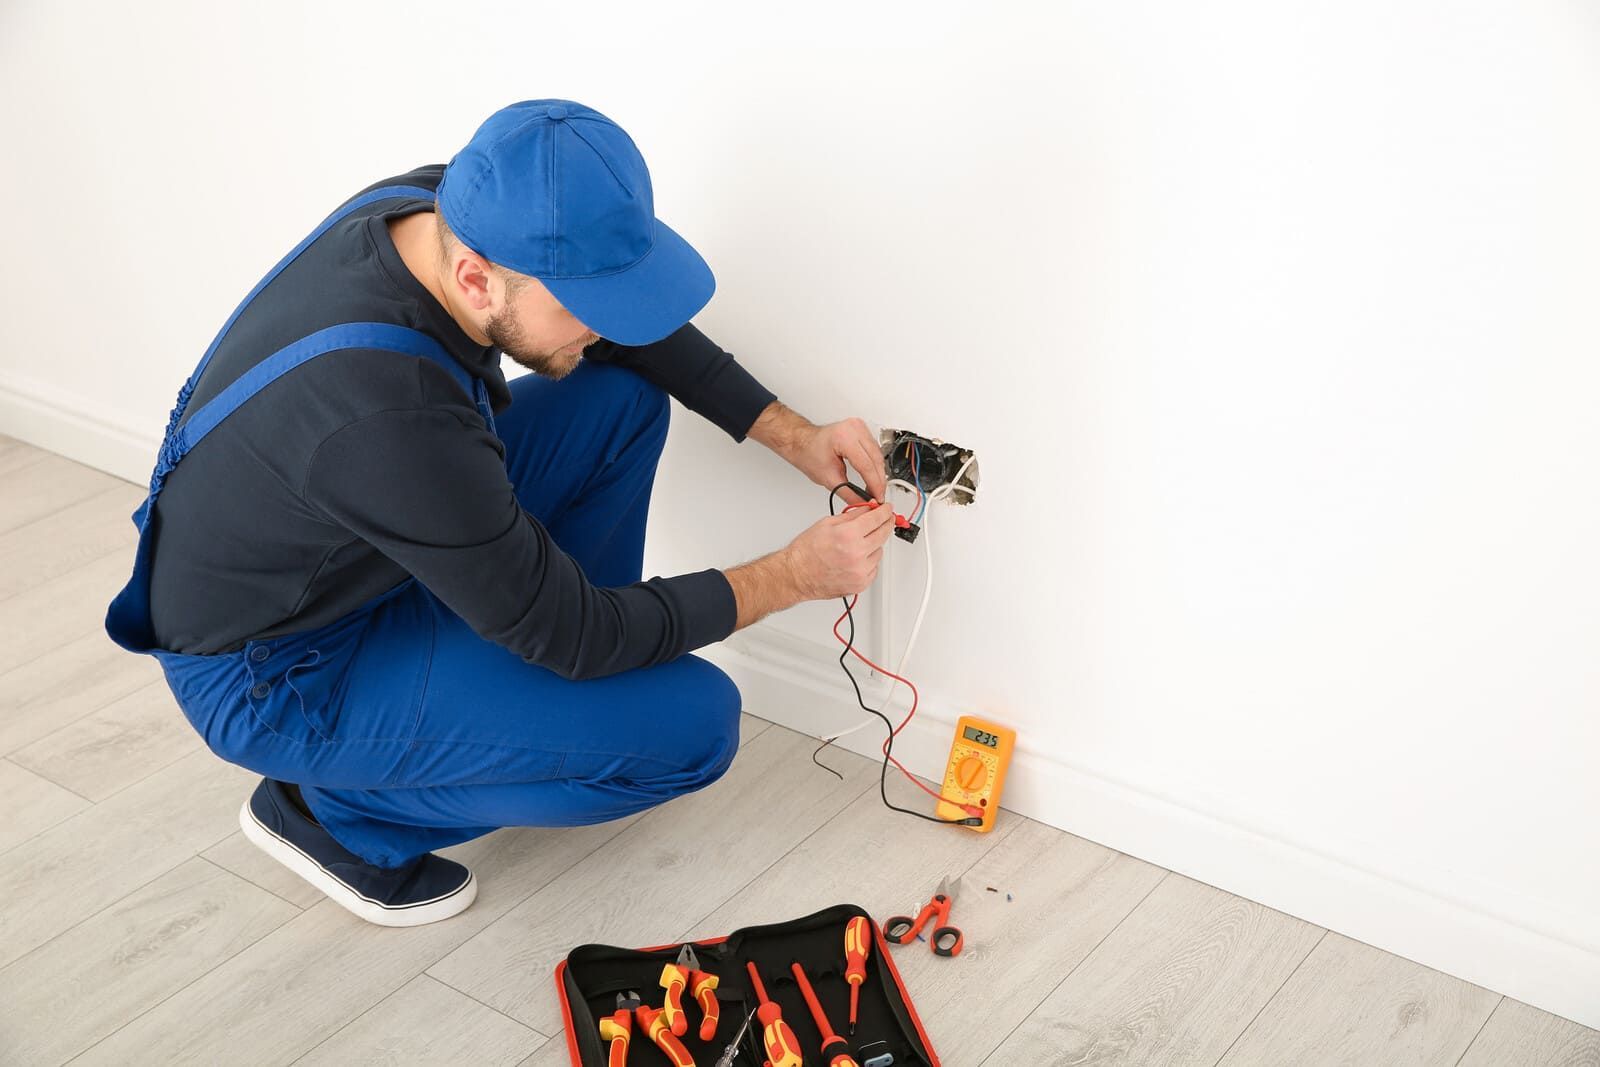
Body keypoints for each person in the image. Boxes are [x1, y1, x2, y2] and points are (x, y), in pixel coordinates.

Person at [104, 99, 894, 926]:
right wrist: (793, 575)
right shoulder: (389, 412)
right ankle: (334, 814)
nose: (601, 325)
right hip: (279, 671)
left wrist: (790, 433)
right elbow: (577, 634)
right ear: (476, 277)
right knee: (695, 726)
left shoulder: (438, 213)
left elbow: (616, 332)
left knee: (620, 402)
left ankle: (535, 682)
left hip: (352, 547)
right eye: (582, 305)